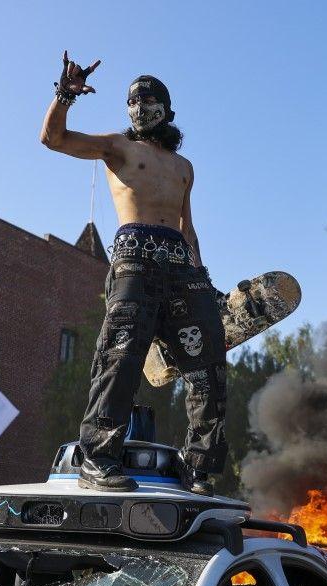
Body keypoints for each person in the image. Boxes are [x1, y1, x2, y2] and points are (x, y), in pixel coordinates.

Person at [41, 52, 228, 494]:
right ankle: (99, 460)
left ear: (167, 109)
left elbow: (188, 226)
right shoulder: (117, 147)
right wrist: (65, 94)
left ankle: (199, 468)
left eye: (148, 100)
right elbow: (53, 139)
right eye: (132, 101)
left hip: (182, 266)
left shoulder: (185, 167)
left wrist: (203, 279)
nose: (139, 108)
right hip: (134, 259)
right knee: (120, 357)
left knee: (208, 367)